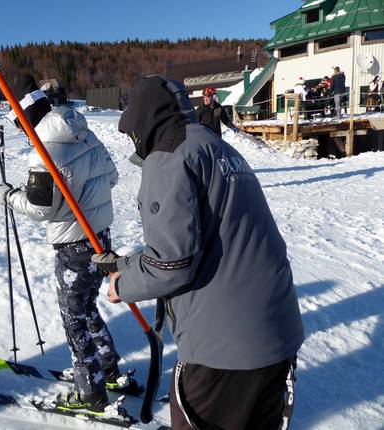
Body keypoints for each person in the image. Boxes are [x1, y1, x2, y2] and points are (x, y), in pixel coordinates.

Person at [91, 75, 305, 430]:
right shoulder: (217, 147)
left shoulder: (168, 156)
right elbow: (207, 238)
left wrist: (121, 285)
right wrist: (125, 264)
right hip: (276, 337)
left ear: (144, 122)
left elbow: (172, 264)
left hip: (224, 352)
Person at [0, 74, 122, 414]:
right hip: (101, 238)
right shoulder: (84, 132)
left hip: (74, 247)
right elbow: (112, 176)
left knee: (74, 318)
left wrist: (11, 197)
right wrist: (84, 196)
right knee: (87, 306)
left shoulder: (44, 152)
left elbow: (41, 208)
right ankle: (108, 367)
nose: (23, 134)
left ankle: (91, 392)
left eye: (20, 126)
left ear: (27, 120)